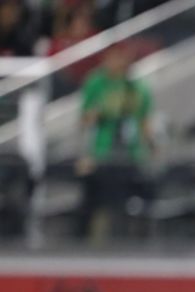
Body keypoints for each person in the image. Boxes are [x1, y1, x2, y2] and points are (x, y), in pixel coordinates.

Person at [76, 43, 152, 243]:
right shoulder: (96, 83)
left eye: (123, 56)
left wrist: (151, 151)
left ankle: (130, 242)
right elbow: (84, 120)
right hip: (101, 155)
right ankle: (82, 243)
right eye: (115, 56)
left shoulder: (137, 87)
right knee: (93, 203)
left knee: (131, 203)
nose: (119, 61)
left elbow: (145, 123)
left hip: (131, 155)